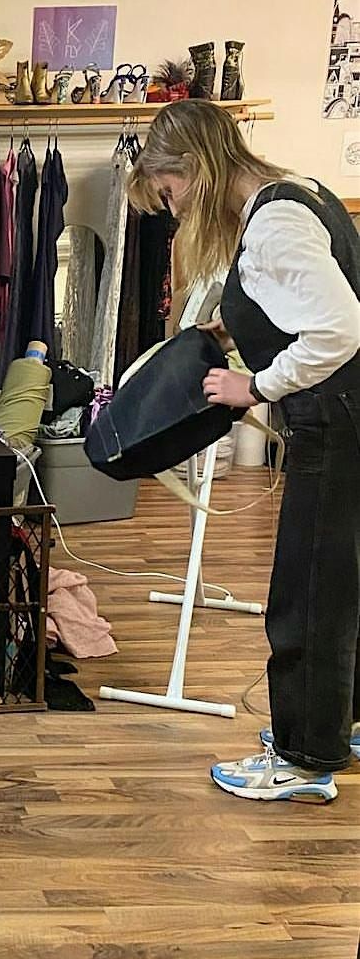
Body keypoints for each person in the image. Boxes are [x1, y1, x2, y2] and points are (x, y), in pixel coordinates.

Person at [129, 99, 360, 803]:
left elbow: (338, 329)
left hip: (333, 423)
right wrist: (238, 330)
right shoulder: (298, 192)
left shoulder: (274, 224)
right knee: (341, 583)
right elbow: (302, 304)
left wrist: (253, 385)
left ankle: (302, 757)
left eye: (169, 193)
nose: (173, 212)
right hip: (347, 417)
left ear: (195, 167)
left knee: (307, 594)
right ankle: (339, 725)